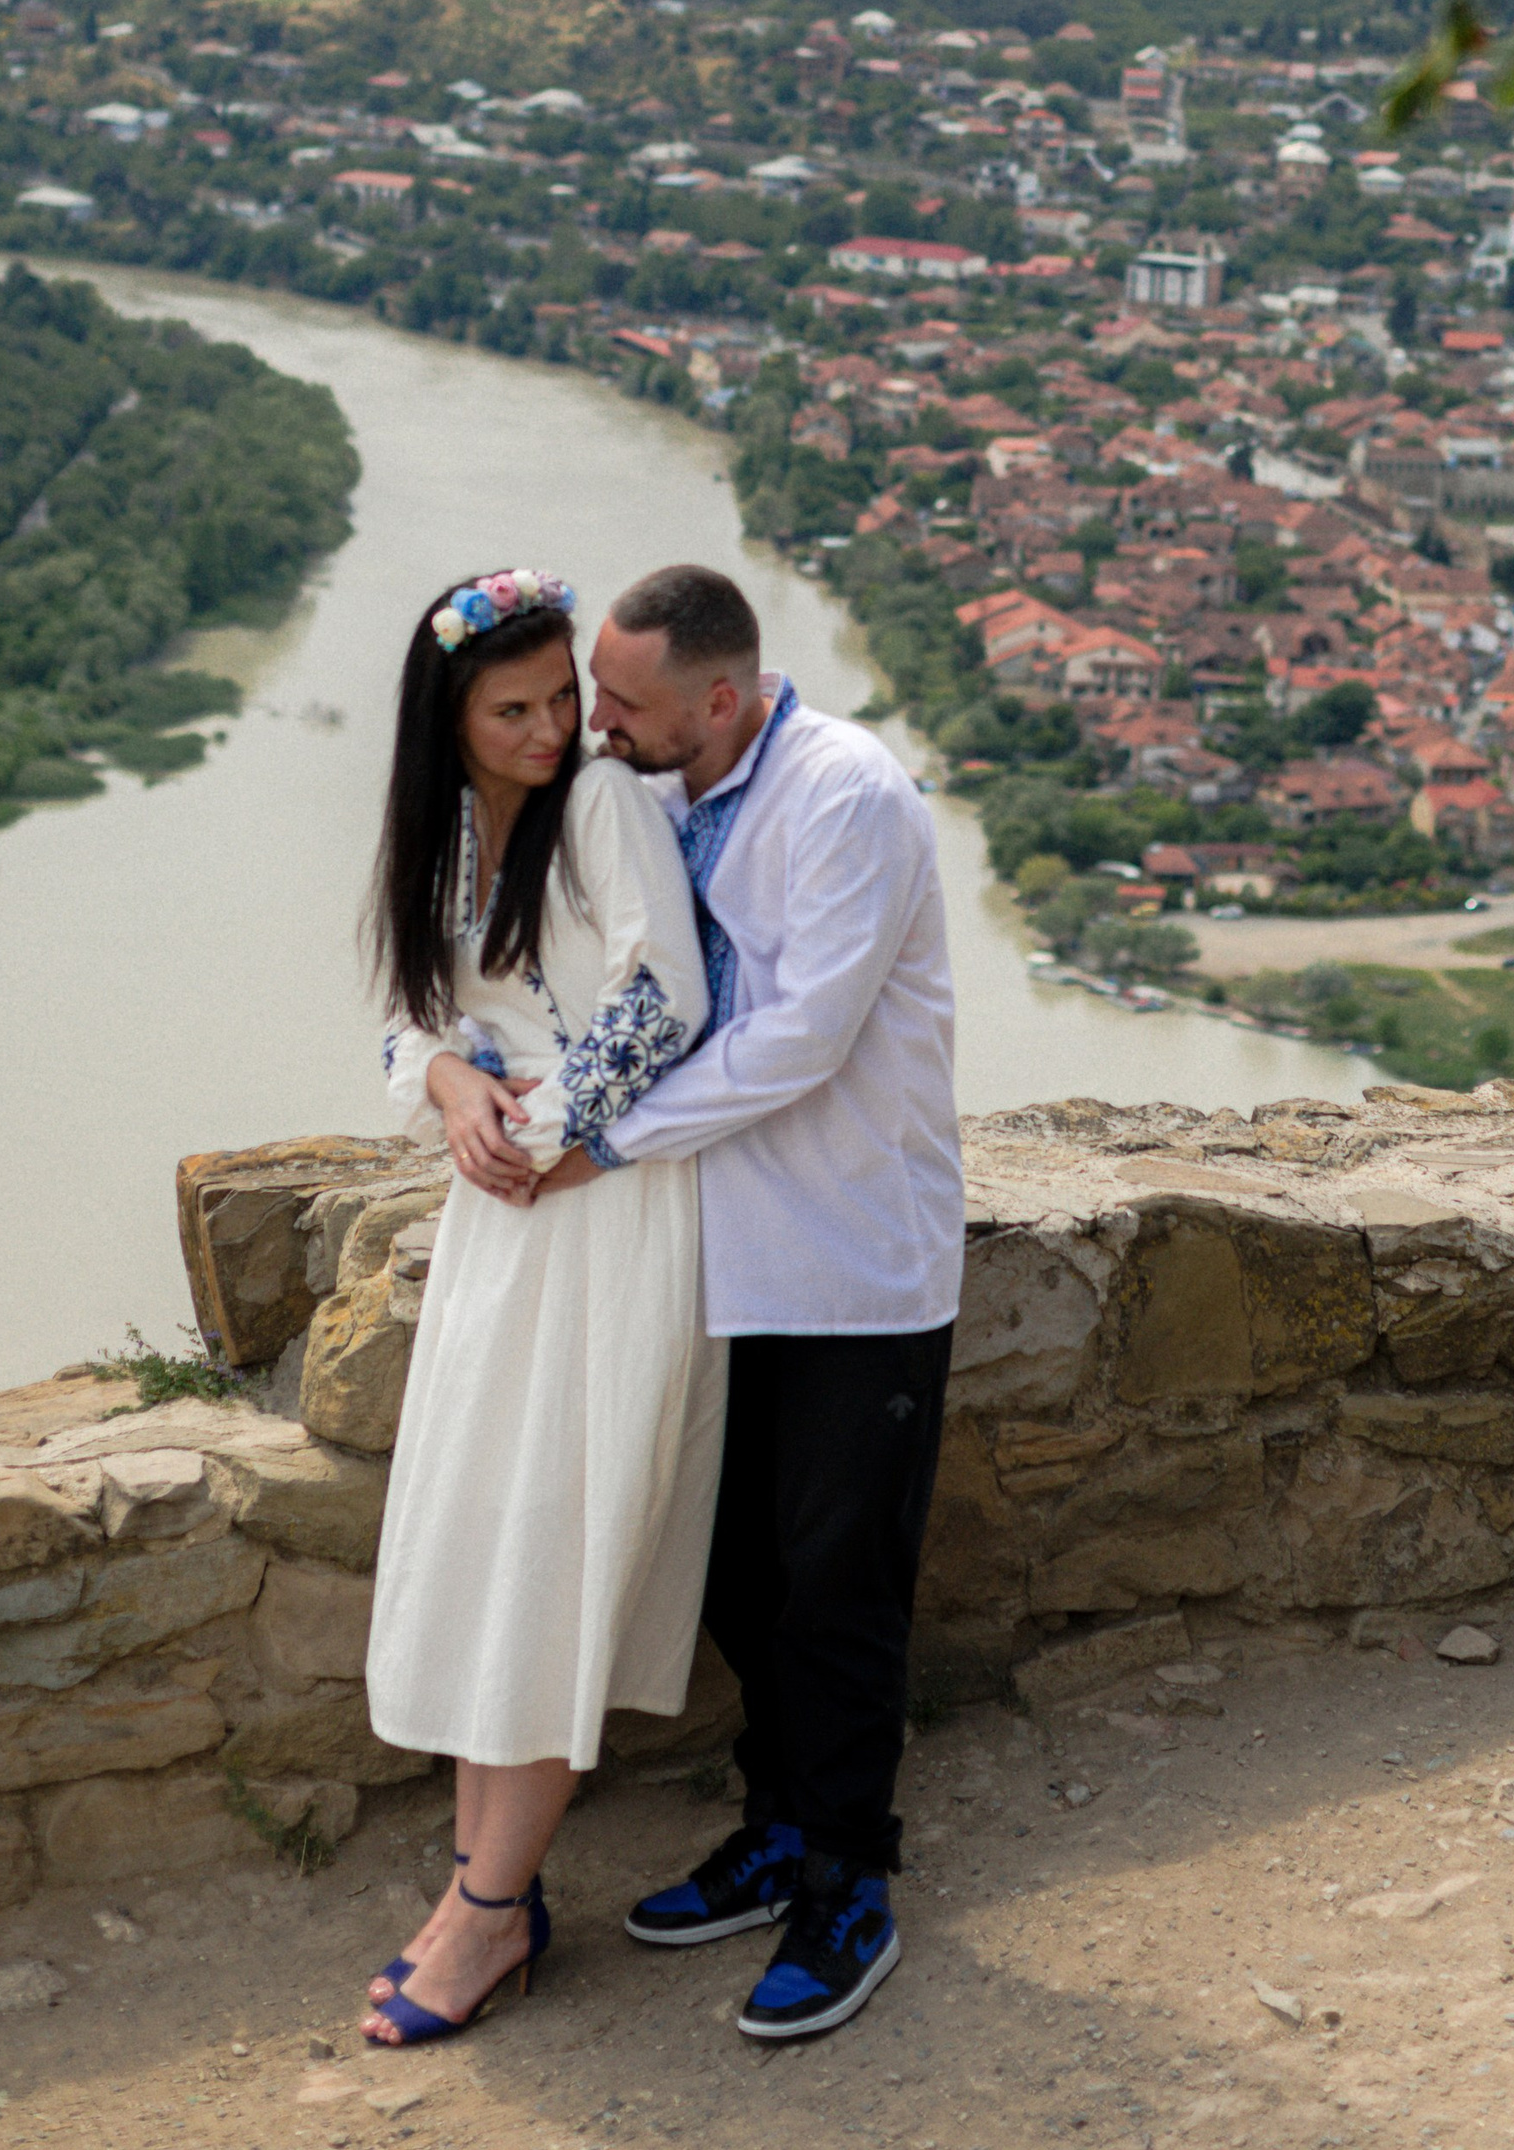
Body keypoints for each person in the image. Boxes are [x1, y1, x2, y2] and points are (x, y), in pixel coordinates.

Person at [545, 562, 965, 2043]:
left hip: (855, 1258)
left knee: (839, 1586)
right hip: (718, 1257)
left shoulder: (848, 796)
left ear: (719, 698)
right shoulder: (653, 790)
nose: (597, 723)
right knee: (735, 1573)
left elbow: (799, 1038)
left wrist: (603, 1142)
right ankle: (779, 1821)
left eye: (622, 701)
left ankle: (852, 1883)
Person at [355, 567, 721, 2051]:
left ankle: (492, 1907)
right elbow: (412, 1019)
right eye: (512, 710)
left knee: (556, 1548)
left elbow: (670, 997)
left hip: (604, 1210)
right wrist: (453, 1088)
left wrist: (544, 1130)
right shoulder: (444, 834)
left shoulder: (605, 806)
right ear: (448, 722)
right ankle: (483, 1890)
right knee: (483, 1538)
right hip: (501, 1226)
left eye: (563, 697)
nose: (553, 730)